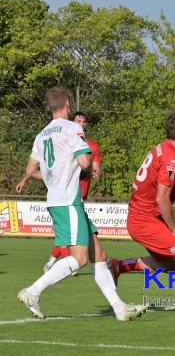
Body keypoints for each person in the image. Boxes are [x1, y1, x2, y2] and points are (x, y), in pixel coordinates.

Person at [15, 86, 146, 321]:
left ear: (50, 107)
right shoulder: (73, 128)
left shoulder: (41, 135)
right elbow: (85, 160)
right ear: (67, 104)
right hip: (68, 200)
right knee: (79, 258)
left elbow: (30, 170)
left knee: (100, 255)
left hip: (58, 200)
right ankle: (33, 292)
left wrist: (55, 174)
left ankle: (119, 308)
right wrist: (85, 167)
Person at [109, 112, 175, 320]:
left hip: (140, 218)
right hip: (144, 220)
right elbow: (161, 199)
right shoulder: (171, 158)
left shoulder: (161, 149)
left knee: (170, 265)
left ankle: (118, 266)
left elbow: (157, 186)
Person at [42, 111, 102, 275]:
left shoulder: (92, 146)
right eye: (78, 120)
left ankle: (53, 263)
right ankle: (50, 272)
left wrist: (96, 172)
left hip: (79, 196)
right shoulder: (66, 139)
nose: (81, 123)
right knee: (78, 245)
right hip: (68, 196)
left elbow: (95, 168)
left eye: (84, 121)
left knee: (73, 237)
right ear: (72, 123)